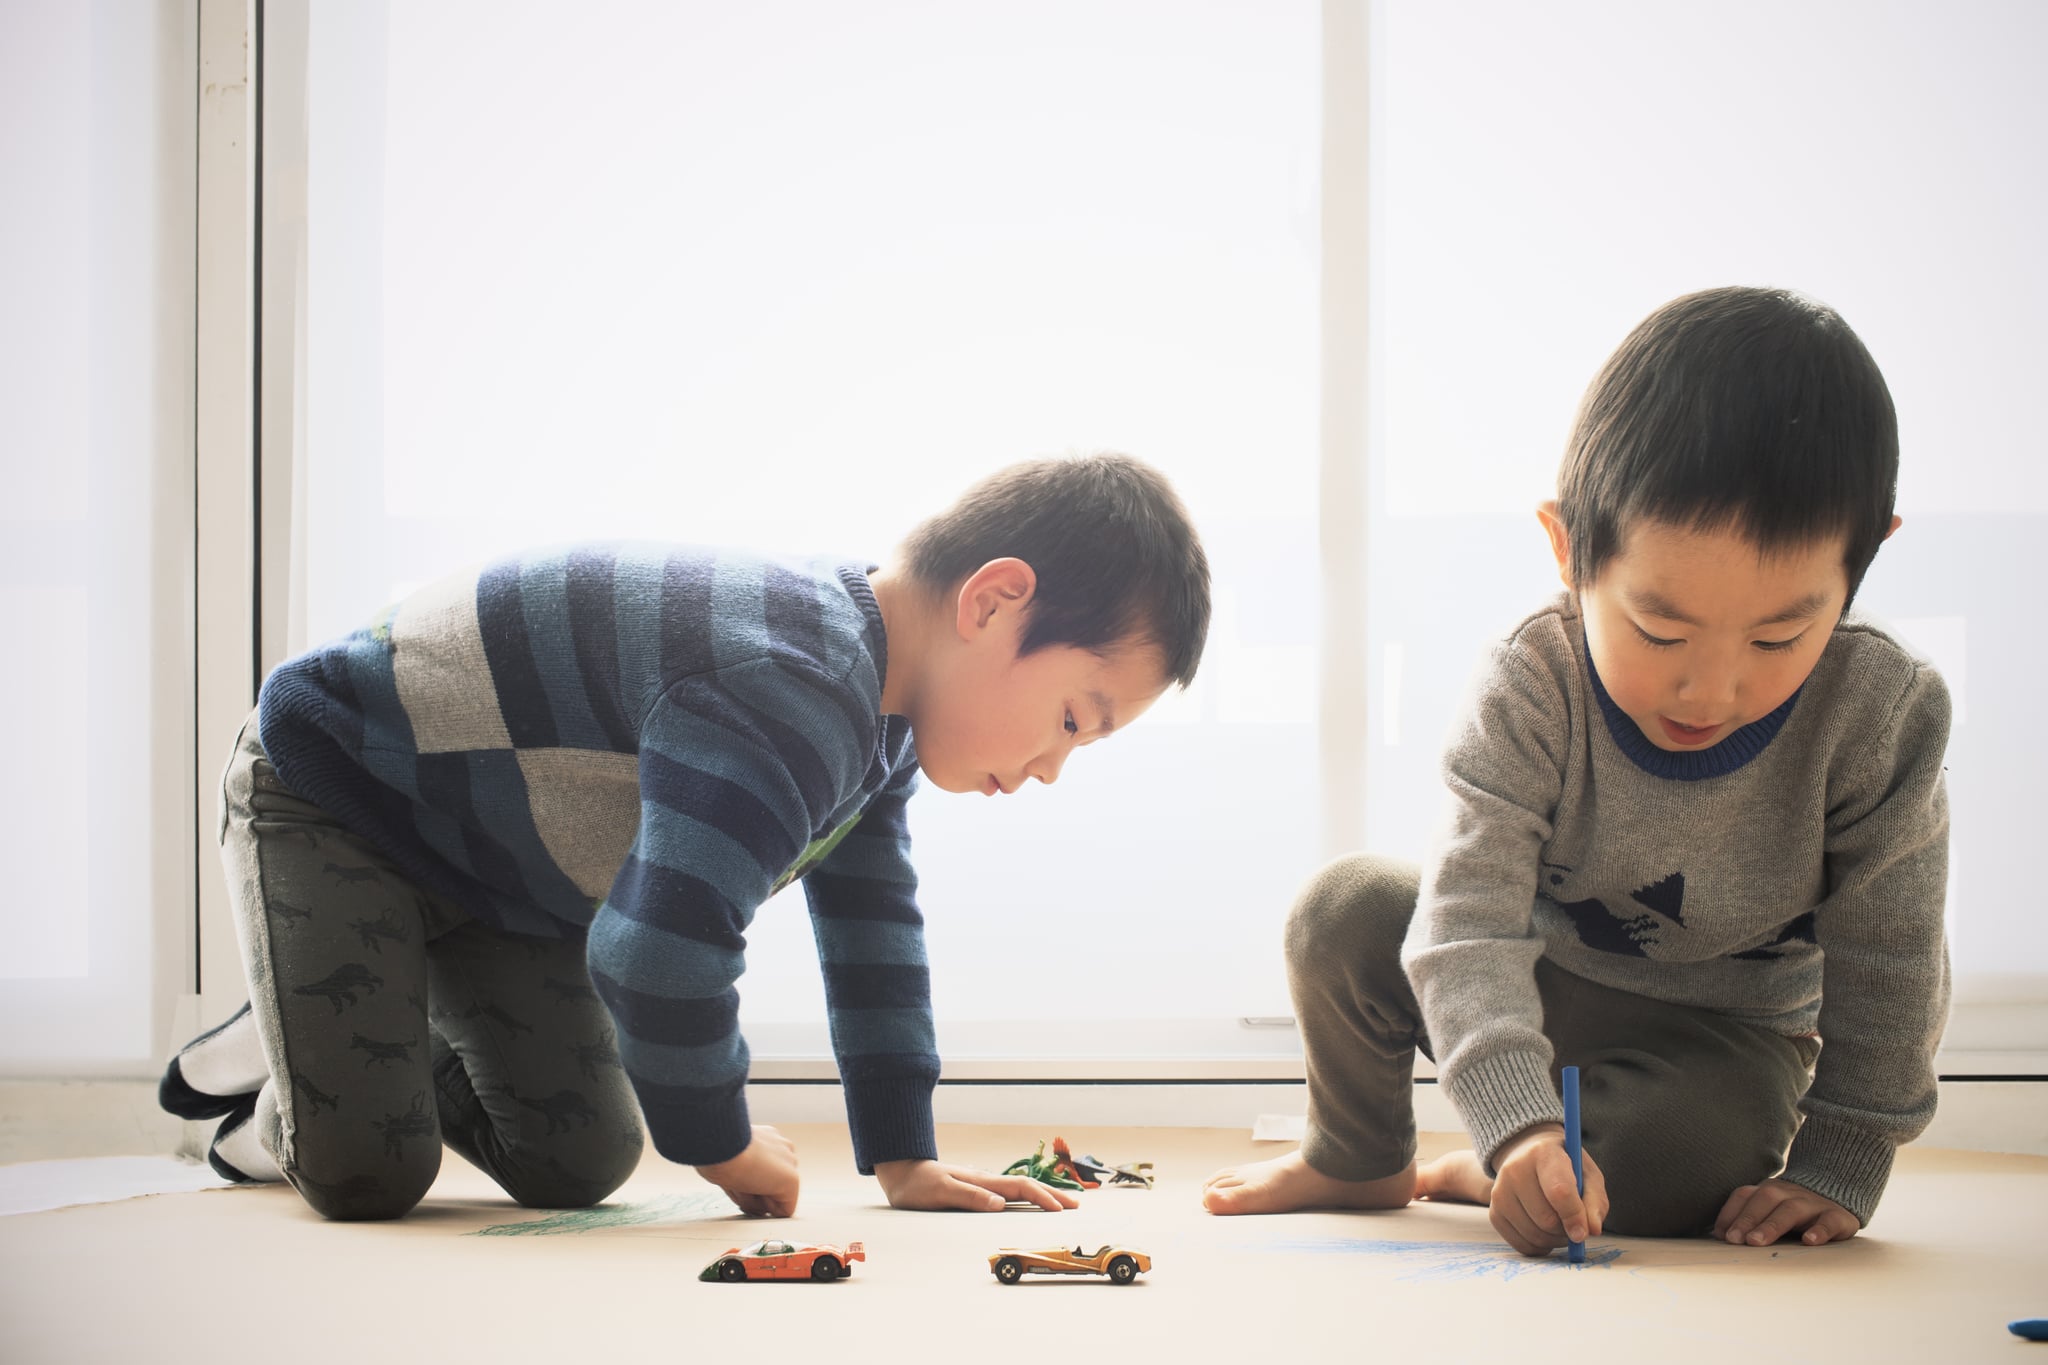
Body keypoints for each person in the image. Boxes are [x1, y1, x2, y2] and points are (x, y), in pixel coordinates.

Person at [159, 452, 1211, 1221]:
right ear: (993, 601)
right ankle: (283, 1059)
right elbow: (654, 954)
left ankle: (364, 1008)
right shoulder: (790, 686)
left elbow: (873, 936)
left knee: (578, 1159)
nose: (1048, 770)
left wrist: (902, 1155)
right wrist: (722, 1146)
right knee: (366, 1175)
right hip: (343, 793)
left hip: (498, 878)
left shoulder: (880, 729)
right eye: (1073, 719)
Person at [1203, 287, 1950, 1255]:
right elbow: (1466, 925)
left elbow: (1891, 958)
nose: (1709, 689)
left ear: (1860, 567)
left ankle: (1475, 1174)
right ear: (1567, 551)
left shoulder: (1880, 712)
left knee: (1687, 1156)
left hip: (1721, 1045)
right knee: (1346, 906)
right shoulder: (1530, 683)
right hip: (1538, 978)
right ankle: (1360, 1155)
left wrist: (1843, 1156)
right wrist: (1518, 1120)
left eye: (1778, 635)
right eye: (1658, 629)